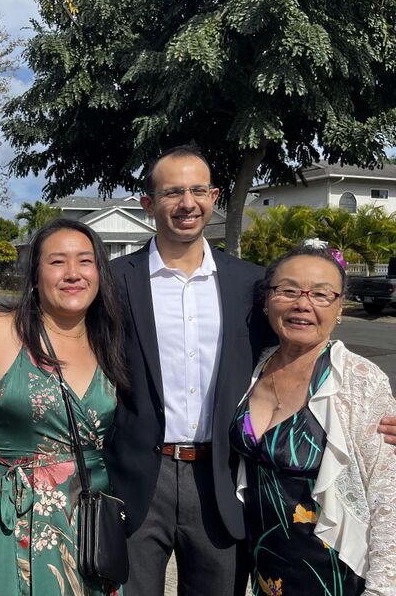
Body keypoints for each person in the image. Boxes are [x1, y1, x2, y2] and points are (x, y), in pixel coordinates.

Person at [104, 145, 396, 595]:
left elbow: (305, 342)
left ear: (215, 195)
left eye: (199, 190)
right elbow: (55, 326)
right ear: (149, 203)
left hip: (222, 477)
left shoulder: (250, 284)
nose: (188, 203)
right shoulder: (111, 280)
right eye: (173, 192)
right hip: (140, 478)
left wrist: (376, 412)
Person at [0, 218, 130, 595]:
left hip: (90, 527)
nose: (73, 273)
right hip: (16, 522)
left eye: (85, 262)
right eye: (57, 262)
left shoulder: (112, 343)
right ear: (35, 276)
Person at [230, 245, 396, 595]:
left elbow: (388, 502)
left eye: (321, 294)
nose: (302, 304)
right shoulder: (254, 366)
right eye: (288, 290)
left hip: (333, 574)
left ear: (338, 308)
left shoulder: (360, 381)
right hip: (267, 569)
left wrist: (382, 589)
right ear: (266, 301)